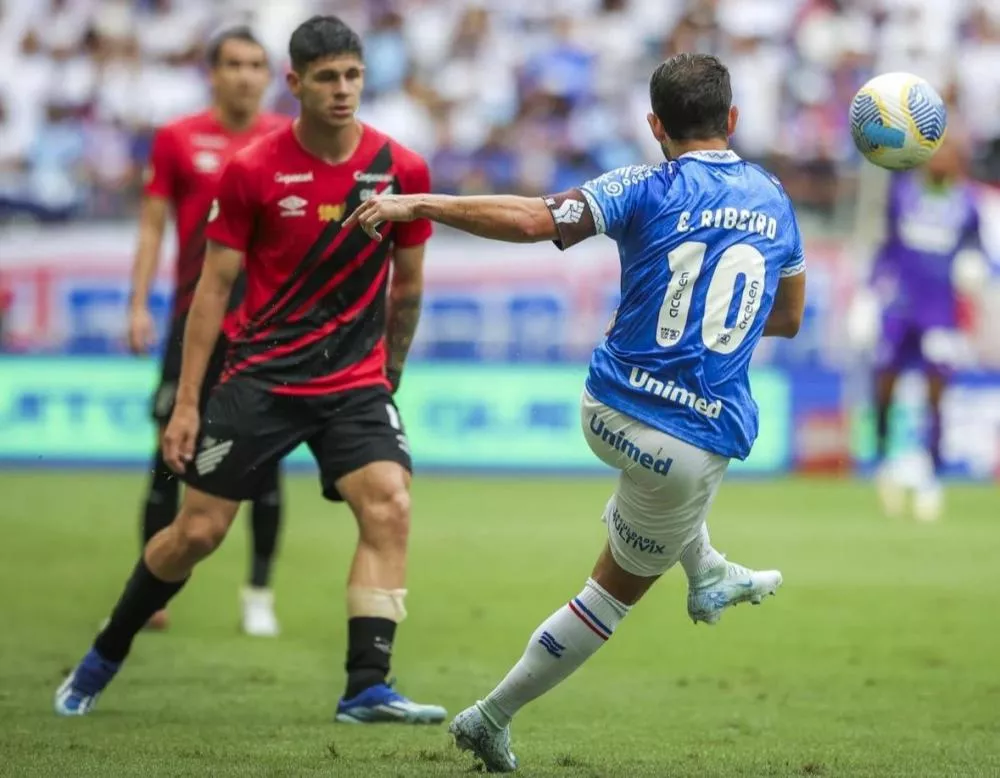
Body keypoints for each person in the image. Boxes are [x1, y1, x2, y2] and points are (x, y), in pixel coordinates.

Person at [345, 53, 805, 771]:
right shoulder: (774, 198)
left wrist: (420, 203)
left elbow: (533, 220)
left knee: (659, 504)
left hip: (604, 407)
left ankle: (708, 569)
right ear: (734, 120)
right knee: (609, 596)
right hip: (687, 443)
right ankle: (488, 718)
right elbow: (788, 317)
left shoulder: (639, 184)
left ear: (655, 125)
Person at [55, 15, 445, 725]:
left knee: (389, 502)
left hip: (353, 383)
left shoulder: (403, 169)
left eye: (353, 75)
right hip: (261, 378)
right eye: (326, 77)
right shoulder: (253, 170)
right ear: (293, 83)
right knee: (198, 533)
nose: (343, 90)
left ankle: (366, 686)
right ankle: (106, 650)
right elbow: (211, 290)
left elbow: (409, 285)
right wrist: (186, 406)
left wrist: (390, 370)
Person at [127, 26, 288, 635]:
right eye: (234, 64)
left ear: (271, 76)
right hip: (194, 318)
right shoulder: (177, 138)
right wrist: (139, 302)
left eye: (256, 65)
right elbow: (151, 227)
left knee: (266, 458)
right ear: (213, 73)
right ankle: (151, 593)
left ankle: (258, 593)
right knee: (168, 451)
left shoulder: (287, 140)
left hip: (267, 326)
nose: (246, 75)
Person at [864, 137, 987, 521]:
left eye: (950, 154)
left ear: (958, 162)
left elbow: (979, 255)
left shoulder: (968, 205)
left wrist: (975, 271)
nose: (941, 160)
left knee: (937, 397)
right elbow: (886, 248)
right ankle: (884, 465)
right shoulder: (903, 194)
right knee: (883, 388)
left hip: (941, 314)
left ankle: (933, 477)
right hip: (899, 308)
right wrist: (868, 294)